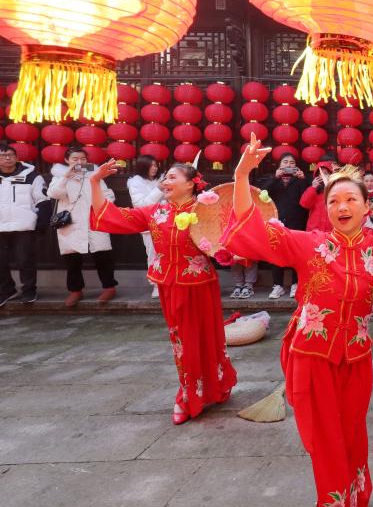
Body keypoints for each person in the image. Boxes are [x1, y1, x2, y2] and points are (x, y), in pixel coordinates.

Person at [223, 133, 373, 507]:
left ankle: (356, 501)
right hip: (312, 356)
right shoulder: (309, 245)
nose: (341, 206)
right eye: (333, 201)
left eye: (350, 200)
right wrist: (243, 176)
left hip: (357, 356)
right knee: (325, 439)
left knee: (352, 432)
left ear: (368, 206)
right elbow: (253, 233)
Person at [90, 159, 236, 425]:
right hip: (170, 285)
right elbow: (111, 216)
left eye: (171, 177)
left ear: (191, 183)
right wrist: (94, 181)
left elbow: (232, 236)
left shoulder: (207, 208)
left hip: (199, 284)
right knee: (182, 342)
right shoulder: (155, 212)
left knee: (207, 335)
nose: (165, 182)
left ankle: (214, 385)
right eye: (164, 178)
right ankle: (190, 393)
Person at [48, 147, 118, 308]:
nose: (79, 162)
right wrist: (66, 176)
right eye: (75, 159)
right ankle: (75, 290)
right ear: (67, 160)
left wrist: (103, 207)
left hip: (94, 219)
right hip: (71, 221)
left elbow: (108, 194)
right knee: (72, 259)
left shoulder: (94, 173)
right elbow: (54, 194)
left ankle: (109, 287)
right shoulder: (59, 175)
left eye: (83, 159)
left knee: (102, 254)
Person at [0, 141, 46, 306]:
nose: (7, 158)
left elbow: (42, 200)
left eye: (10, 155)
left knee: (25, 260)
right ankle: (6, 290)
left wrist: (41, 222)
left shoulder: (32, 176)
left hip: (24, 225)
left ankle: (29, 290)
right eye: (3, 156)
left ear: (17, 157)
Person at [260, 153, 311, 299]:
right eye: (285, 162)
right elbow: (262, 193)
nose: (288, 165)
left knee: (296, 254)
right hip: (276, 221)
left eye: (292, 163)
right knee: (277, 254)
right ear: (279, 165)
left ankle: (295, 284)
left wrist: (303, 179)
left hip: (297, 221)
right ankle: (278, 285)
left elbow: (307, 199)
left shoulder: (300, 180)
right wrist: (274, 178)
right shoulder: (273, 179)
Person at [127, 155, 164, 299]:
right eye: (151, 166)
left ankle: (170, 283)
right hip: (149, 224)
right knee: (153, 255)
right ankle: (156, 285)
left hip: (167, 222)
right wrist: (159, 189)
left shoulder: (161, 179)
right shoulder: (135, 183)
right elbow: (141, 205)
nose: (154, 168)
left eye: (155, 165)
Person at [301, 156, 341, 236]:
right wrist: (313, 187)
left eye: (326, 173)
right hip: (314, 230)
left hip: (332, 230)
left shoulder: (338, 189)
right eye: (320, 174)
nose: (322, 176)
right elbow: (304, 204)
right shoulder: (314, 190)